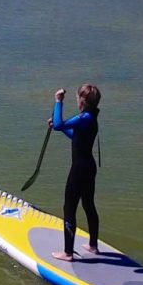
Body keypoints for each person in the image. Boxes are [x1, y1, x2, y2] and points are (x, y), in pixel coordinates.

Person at [46, 84, 101, 261]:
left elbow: (59, 124)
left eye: (77, 98)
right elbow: (75, 136)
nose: (76, 101)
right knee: (88, 205)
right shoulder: (90, 117)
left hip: (79, 170)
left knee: (69, 208)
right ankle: (93, 246)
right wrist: (59, 126)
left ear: (82, 101)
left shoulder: (84, 117)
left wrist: (58, 102)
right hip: (88, 168)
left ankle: (68, 253)